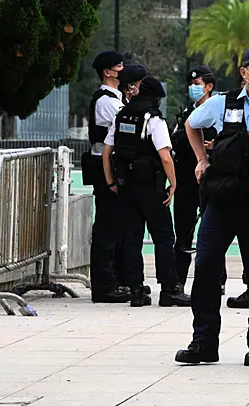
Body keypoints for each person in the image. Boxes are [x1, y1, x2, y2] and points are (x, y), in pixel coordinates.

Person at [175, 46, 249, 367]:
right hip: (222, 198)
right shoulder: (223, 102)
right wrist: (201, 159)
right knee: (207, 266)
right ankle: (204, 341)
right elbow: (192, 125)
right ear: (245, 72)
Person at [102, 76, 191, 308]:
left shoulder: (121, 116)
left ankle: (136, 290)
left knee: (132, 239)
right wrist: (173, 183)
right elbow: (165, 156)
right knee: (163, 237)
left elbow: (106, 152)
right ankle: (169, 288)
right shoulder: (154, 119)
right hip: (151, 187)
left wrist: (111, 182)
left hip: (125, 186)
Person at [171, 65, 223, 295]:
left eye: (197, 84)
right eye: (191, 84)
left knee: (214, 233)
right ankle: (178, 281)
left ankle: (216, 281)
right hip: (186, 180)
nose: (193, 88)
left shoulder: (220, 112)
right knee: (183, 233)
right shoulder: (186, 114)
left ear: (209, 87)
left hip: (210, 181)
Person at [84, 50, 129, 303]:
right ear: (108, 72)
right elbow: (115, 135)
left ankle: (115, 280)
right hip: (105, 170)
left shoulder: (116, 98)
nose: (122, 70)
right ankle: (104, 285)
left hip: (112, 168)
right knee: (106, 229)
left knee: (116, 228)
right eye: (118, 67)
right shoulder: (105, 101)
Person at [114, 63, 148, 291]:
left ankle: (130, 281)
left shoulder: (125, 109)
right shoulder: (134, 113)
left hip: (126, 179)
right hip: (134, 180)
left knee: (130, 235)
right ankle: (125, 281)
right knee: (127, 234)